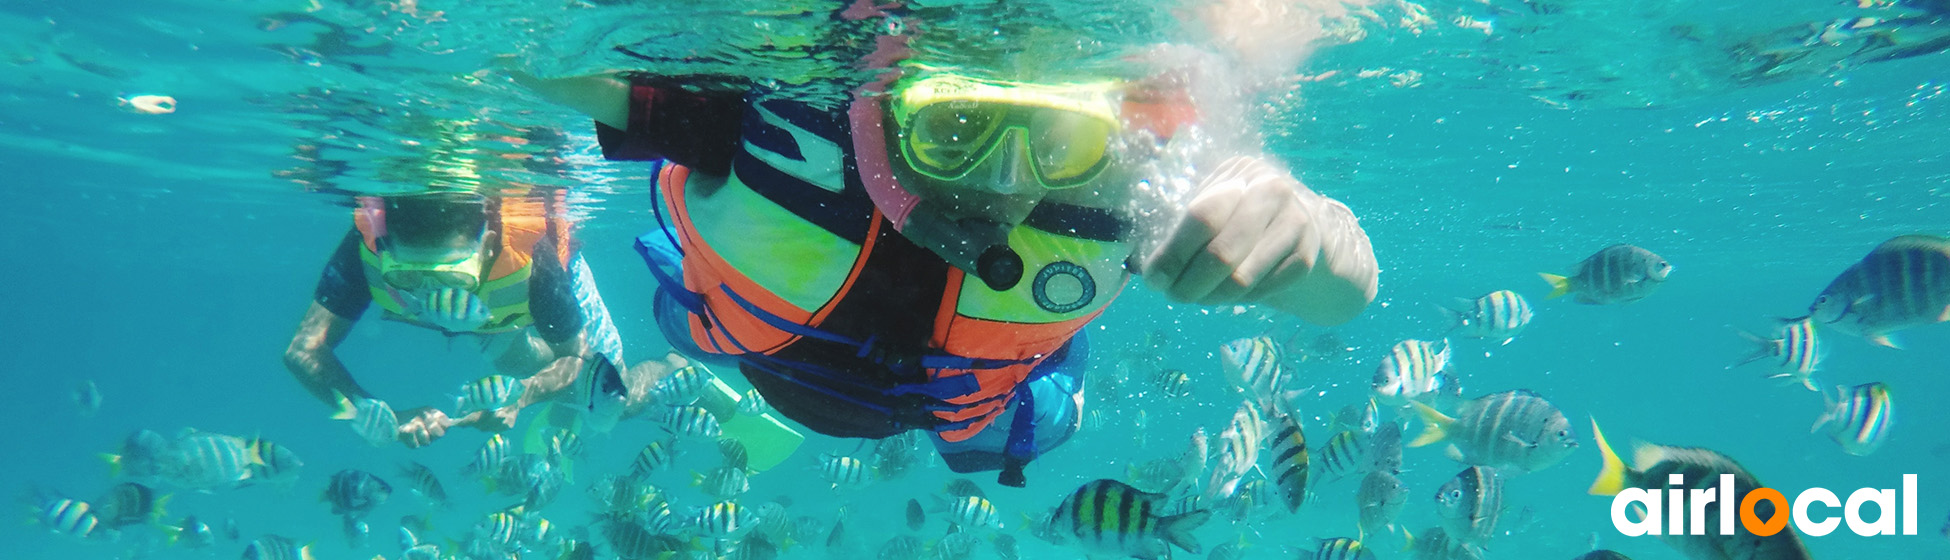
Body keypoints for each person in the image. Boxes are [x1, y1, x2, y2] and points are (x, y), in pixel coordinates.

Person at [510, 28, 1377, 487]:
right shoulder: (770, 111)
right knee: (687, 324)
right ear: (884, 109)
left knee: (1017, 436)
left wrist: (1309, 235)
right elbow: (537, 62)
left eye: (1060, 143)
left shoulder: (1128, 191)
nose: (1006, 188)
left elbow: (1350, 294)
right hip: (750, 349)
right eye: (954, 130)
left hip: (934, 399)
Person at [282, 190, 629, 447]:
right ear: (385, 247)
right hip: (484, 314)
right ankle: (558, 400)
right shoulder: (368, 245)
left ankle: (669, 365)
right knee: (519, 369)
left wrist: (522, 398)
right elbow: (303, 350)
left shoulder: (536, 264)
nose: (430, 292)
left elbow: (577, 357)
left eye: (452, 279)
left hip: (521, 299)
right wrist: (374, 414)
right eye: (408, 277)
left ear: (488, 246)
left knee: (614, 395)